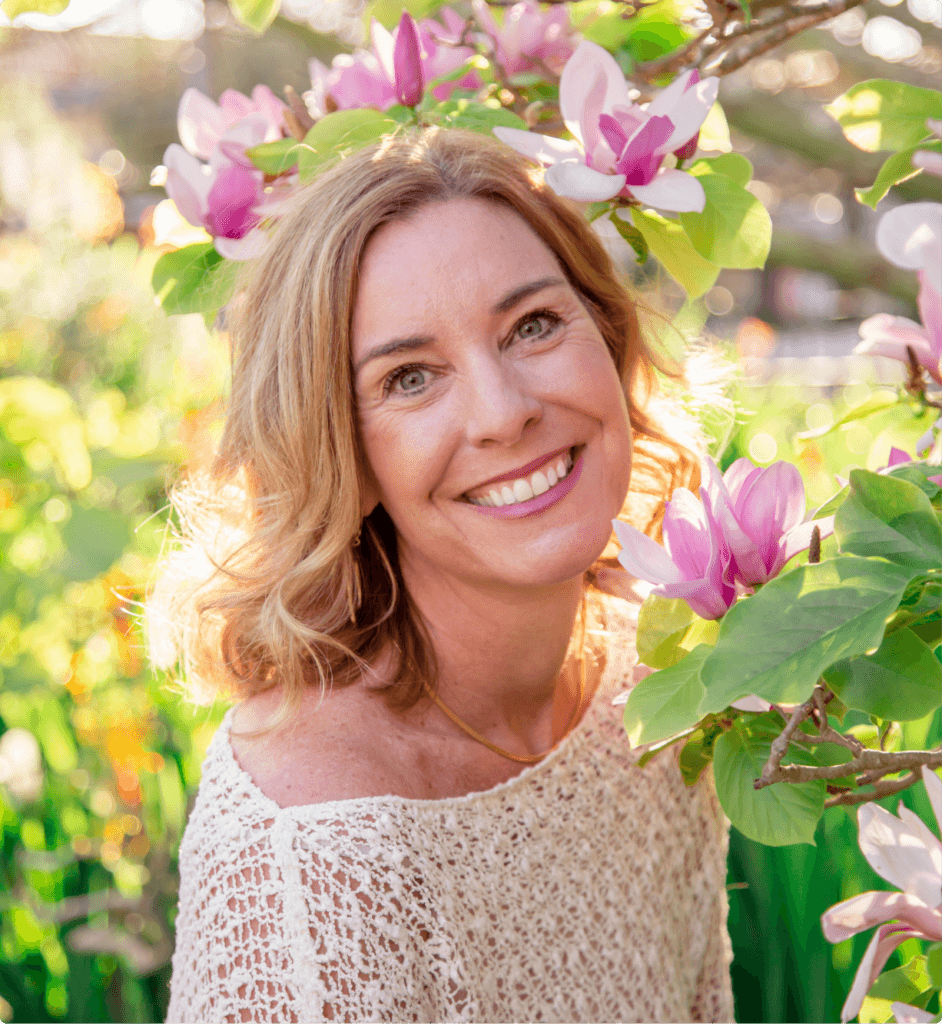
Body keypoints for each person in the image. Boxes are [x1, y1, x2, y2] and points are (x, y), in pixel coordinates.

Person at [155, 126, 735, 1024]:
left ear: (610, 339)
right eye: (411, 378)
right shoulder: (310, 862)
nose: (505, 414)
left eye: (533, 325)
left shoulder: (648, 693)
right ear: (341, 454)